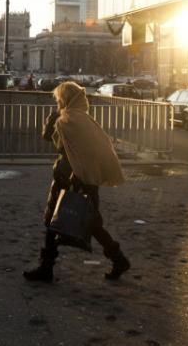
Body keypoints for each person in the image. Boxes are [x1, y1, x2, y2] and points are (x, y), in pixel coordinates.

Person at [24, 81, 131, 283]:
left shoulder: (67, 121)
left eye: (58, 100)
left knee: (55, 222)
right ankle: (118, 259)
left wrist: (53, 118)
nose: (57, 102)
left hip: (71, 180)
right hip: (86, 179)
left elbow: (52, 140)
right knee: (90, 224)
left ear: (64, 100)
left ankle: (46, 268)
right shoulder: (85, 119)